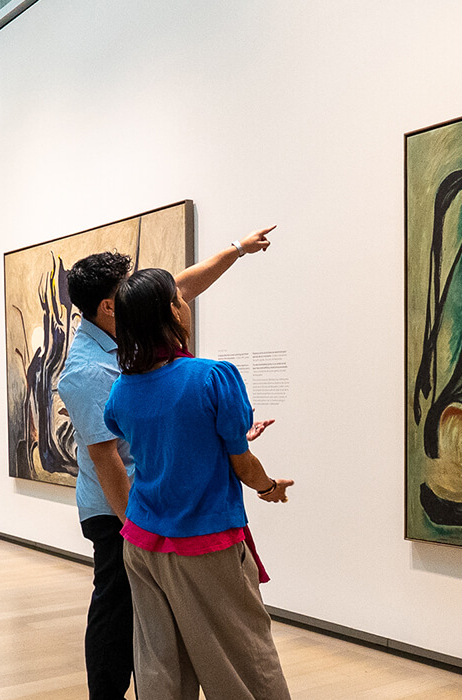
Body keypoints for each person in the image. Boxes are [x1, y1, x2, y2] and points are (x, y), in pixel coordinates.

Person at [56, 227, 273, 700]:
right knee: (121, 613)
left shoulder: (130, 368)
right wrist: (142, 527)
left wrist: (236, 250)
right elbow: (108, 460)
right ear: (112, 306)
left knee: (159, 641)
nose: (181, 299)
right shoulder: (89, 372)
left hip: (153, 515)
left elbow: (188, 283)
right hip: (127, 512)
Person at [102, 268, 294, 700]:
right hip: (203, 543)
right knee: (243, 660)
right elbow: (244, 468)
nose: (185, 303)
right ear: (172, 310)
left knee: (160, 663)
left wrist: (224, 437)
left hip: (141, 542)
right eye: (179, 298)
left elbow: (164, 436)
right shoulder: (212, 377)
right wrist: (269, 487)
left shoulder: (121, 391)